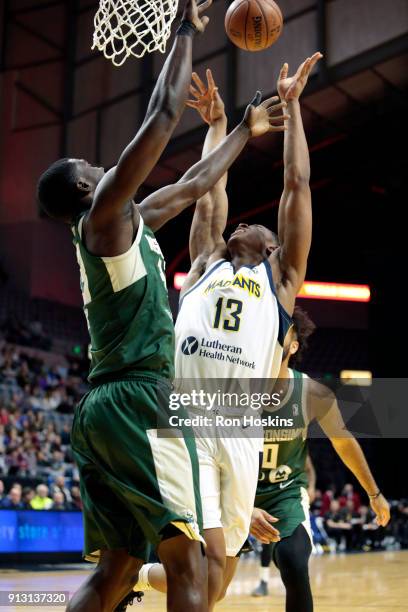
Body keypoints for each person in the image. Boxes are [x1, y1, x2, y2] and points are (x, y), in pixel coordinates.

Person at [37, 1, 285, 609]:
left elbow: (195, 184)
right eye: (91, 167)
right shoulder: (102, 216)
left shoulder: (128, 222)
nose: (102, 166)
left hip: (103, 409)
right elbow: (163, 113)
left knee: (117, 573)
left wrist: (242, 133)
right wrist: (183, 31)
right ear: (82, 188)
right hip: (139, 400)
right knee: (189, 564)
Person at [126, 53, 321, 610]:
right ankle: (130, 572)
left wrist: (292, 106)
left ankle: (132, 579)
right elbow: (207, 190)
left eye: (256, 225)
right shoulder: (207, 258)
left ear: (274, 246)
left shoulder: (281, 281)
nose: (244, 222)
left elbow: (297, 183)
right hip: (182, 415)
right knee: (193, 563)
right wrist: (215, 126)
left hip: (239, 427)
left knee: (213, 584)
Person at [250, 307, 391, 612]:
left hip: (283, 492)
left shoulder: (312, 392)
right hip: (237, 491)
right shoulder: (231, 387)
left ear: (293, 345)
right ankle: (141, 577)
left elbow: (344, 442)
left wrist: (374, 493)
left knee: (293, 558)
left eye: (280, 330)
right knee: (210, 580)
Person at [251, 453, 316, 597]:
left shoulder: (295, 443)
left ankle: (265, 581)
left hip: (285, 494)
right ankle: (264, 581)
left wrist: (311, 487)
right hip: (256, 493)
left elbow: (309, 468)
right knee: (265, 543)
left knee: (285, 547)